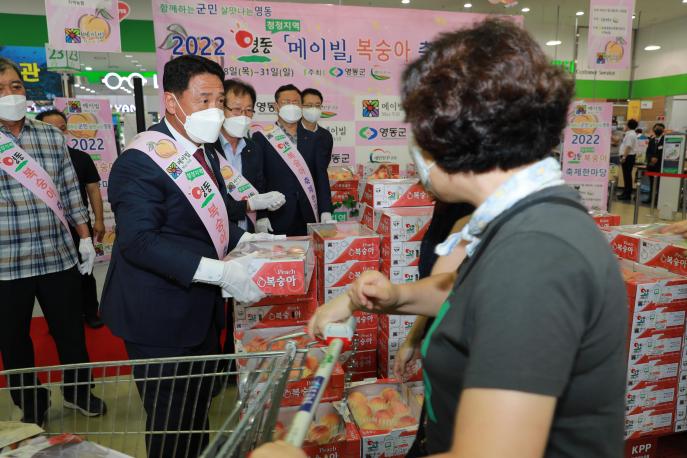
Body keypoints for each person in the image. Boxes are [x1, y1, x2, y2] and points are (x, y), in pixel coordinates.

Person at [254, 19, 627, 458]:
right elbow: (471, 297)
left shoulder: (537, 255)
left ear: (449, 133)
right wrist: (388, 297)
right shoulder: (519, 219)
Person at [101, 55, 270, 458]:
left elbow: (208, 210)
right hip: (158, 316)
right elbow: (139, 241)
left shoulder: (204, 151)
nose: (214, 110)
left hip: (199, 312)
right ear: (172, 102)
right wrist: (219, 272)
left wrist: (250, 226)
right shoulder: (140, 161)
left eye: (218, 100)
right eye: (203, 99)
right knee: (171, 424)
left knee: (197, 414)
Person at [0, 57, 106, 427]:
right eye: (1, 89)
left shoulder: (49, 136)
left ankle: (79, 392)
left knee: (70, 332)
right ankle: (31, 402)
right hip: (5, 264)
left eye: (16, 86)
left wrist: (84, 238)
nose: (11, 94)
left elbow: (69, 192)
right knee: (13, 341)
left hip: (57, 256)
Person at [36, 109, 105, 328]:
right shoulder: (30, 163)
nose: (58, 133)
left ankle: (91, 313)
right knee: (54, 280)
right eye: (51, 129)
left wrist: (99, 220)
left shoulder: (80, 158)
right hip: (47, 231)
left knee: (86, 272)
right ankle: (59, 319)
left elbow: (93, 190)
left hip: (78, 228)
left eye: (62, 128)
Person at [252, 84, 333, 235]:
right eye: (286, 102)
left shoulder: (314, 139)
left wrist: (326, 210)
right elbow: (259, 178)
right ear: (276, 106)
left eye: (295, 102)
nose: (292, 106)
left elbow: (321, 176)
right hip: (277, 214)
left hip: (309, 213)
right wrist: (261, 215)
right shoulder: (261, 138)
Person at [215, 78, 285, 233]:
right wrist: (250, 205)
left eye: (248, 110)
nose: (243, 116)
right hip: (218, 234)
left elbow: (258, 186)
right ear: (220, 108)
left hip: (248, 231)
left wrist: (262, 214)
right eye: (236, 109)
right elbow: (210, 205)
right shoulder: (207, 149)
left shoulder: (253, 148)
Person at [301, 87, 334, 167]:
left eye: (317, 105)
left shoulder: (326, 136)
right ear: (300, 107)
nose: (314, 109)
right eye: (309, 105)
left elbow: (324, 165)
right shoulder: (291, 133)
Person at [618, 118, 639, 200]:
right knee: (627, 175)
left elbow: (628, 147)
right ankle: (626, 192)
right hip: (629, 156)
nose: (624, 126)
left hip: (628, 157)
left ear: (628, 126)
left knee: (627, 175)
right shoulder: (631, 134)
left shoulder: (630, 135)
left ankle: (627, 194)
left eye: (626, 124)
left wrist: (624, 157)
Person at [644, 123, 666, 204]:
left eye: (660, 128)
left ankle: (658, 199)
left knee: (659, 184)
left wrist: (657, 158)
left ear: (663, 130)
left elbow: (665, 152)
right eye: (656, 128)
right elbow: (648, 152)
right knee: (652, 183)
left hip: (660, 166)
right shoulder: (652, 140)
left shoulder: (665, 140)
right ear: (653, 129)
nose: (658, 130)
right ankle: (650, 198)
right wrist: (651, 158)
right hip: (651, 166)